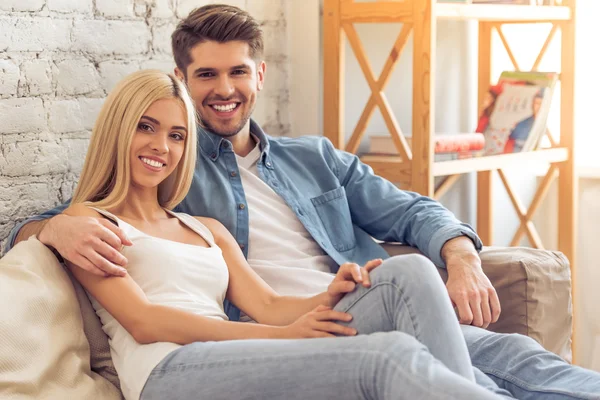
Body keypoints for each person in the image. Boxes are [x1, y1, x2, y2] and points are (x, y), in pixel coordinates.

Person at [6, 4, 600, 400]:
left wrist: (459, 257)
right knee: (408, 356)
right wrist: (49, 230)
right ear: (185, 84)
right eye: (205, 76)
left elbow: (412, 212)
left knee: (511, 349)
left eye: (236, 72)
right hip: (239, 346)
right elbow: (67, 224)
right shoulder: (152, 190)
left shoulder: (306, 163)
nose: (223, 90)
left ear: (260, 75)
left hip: (332, 309)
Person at [57, 69, 506, 400]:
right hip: (167, 371)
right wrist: (284, 337)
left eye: (177, 135)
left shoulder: (204, 229)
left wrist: (330, 295)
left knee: (409, 271)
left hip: (228, 354)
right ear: (118, 130)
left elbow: (269, 305)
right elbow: (145, 321)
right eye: (145, 127)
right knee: (385, 356)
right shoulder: (88, 223)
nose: (162, 147)